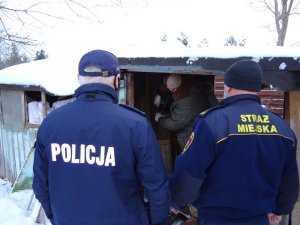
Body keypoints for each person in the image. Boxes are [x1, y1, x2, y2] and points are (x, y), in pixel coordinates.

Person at [32, 49, 170, 225]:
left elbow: (40, 186)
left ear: (78, 79)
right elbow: (157, 188)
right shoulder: (135, 124)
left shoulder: (51, 123)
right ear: (116, 80)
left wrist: (57, 217)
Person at [169, 59, 299, 225]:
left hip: (217, 219)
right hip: (260, 218)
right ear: (256, 88)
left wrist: (175, 200)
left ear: (228, 85)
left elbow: (190, 172)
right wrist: (280, 209)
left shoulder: (212, 122)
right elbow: (289, 181)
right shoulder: (282, 128)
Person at [154, 74, 217, 151]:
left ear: (177, 89)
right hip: (203, 133)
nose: (172, 94)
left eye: (172, 91)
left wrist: (159, 119)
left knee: (192, 160)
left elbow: (174, 123)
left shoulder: (186, 102)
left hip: (191, 138)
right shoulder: (194, 87)